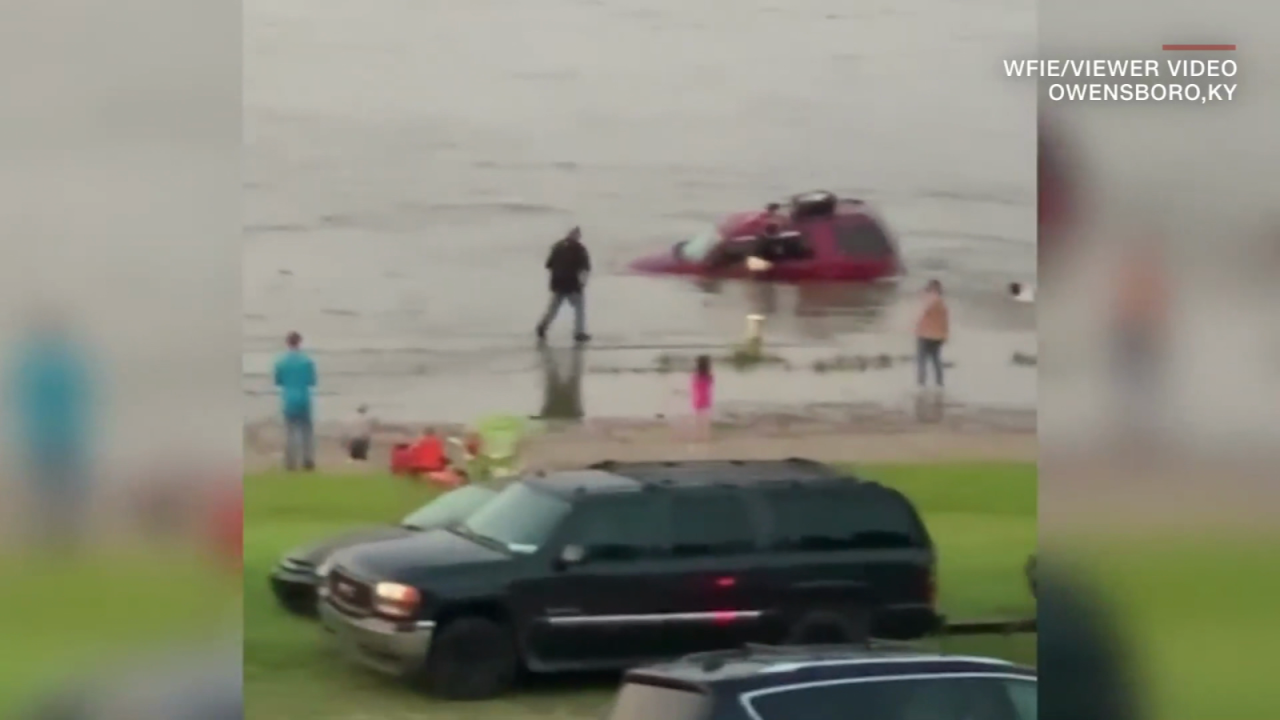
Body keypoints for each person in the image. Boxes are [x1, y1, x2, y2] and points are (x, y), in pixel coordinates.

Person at [6, 310, 93, 551]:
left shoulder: (38, 365)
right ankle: (57, 536)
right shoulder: (60, 364)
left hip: (52, 438)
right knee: (55, 492)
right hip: (53, 438)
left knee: (53, 492)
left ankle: (56, 536)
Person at [536, 226, 591, 343]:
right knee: (579, 308)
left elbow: (548, 265)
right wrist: (583, 283)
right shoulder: (579, 249)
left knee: (553, 308)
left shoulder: (557, 246)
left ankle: (542, 327)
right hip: (572, 284)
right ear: (577, 236)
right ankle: (579, 332)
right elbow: (585, 268)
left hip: (558, 283)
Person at [273, 331, 317, 471]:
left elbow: (278, 381)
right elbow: (312, 381)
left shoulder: (281, 362)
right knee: (306, 431)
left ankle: (291, 462)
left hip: (289, 399)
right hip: (304, 398)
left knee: (290, 432)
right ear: (300, 342)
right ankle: (308, 460)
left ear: (287, 343)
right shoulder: (307, 361)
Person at [914, 279, 949, 388]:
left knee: (922, 360)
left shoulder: (929, 301)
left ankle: (921, 383)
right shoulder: (942, 304)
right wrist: (945, 335)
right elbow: (945, 322)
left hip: (925, 334)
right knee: (936, 360)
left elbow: (920, 315)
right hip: (937, 336)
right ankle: (939, 383)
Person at [690, 354, 715, 441]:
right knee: (705, 419)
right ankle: (706, 436)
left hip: (697, 399)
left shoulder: (696, 376)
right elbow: (711, 384)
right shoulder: (709, 376)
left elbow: (693, 387)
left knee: (698, 419)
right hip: (707, 399)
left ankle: (698, 436)